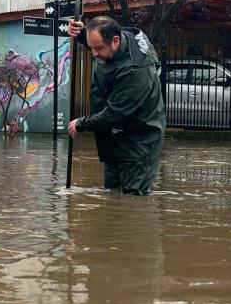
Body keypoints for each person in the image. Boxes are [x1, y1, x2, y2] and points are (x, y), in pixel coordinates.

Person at [67, 16, 166, 195]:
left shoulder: (135, 71)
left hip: (140, 141)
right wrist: (82, 33)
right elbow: (101, 41)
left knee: (133, 199)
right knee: (111, 194)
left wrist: (81, 123)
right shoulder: (119, 37)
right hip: (113, 136)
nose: (94, 54)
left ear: (115, 40)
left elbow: (115, 113)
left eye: (99, 48)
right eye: (91, 47)